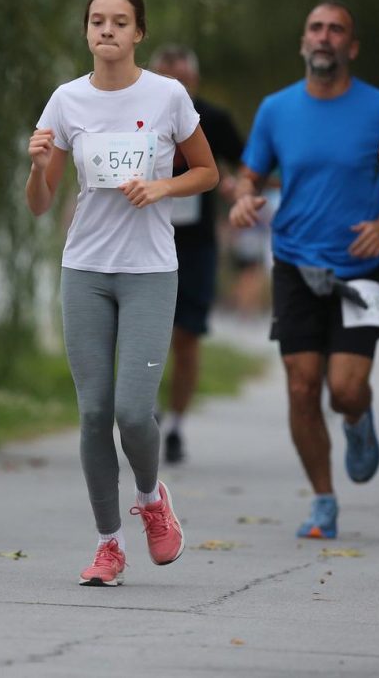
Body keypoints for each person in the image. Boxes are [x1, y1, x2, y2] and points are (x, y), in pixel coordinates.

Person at [25, 0, 218, 586]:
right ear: (86, 32)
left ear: (139, 33)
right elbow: (40, 203)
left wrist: (162, 187)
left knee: (134, 413)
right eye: (97, 21)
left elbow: (208, 172)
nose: (107, 31)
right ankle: (109, 543)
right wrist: (36, 166)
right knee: (92, 414)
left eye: (119, 22)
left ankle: (151, 497)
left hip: (150, 272)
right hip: (84, 269)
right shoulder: (65, 101)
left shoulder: (168, 96)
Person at [230, 0, 379, 540]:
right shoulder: (276, 109)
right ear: (303, 43)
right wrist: (244, 198)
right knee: (300, 387)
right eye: (315, 28)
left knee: (344, 389)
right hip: (293, 262)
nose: (324, 37)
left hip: (360, 267)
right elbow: (251, 174)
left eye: (336, 30)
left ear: (351, 47)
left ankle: (359, 420)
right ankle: (323, 500)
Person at [148, 45, 245, 465]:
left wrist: (236, 186)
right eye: (164, 80)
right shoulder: (135, 115)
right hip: (144, 239)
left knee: (186, 337)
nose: (173, 89)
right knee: (145, 334)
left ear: (194, 82)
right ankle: (144, 411)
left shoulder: (213, 120)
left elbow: (248, 168)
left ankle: (175, 426)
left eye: (181, 81)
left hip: (196, 245)